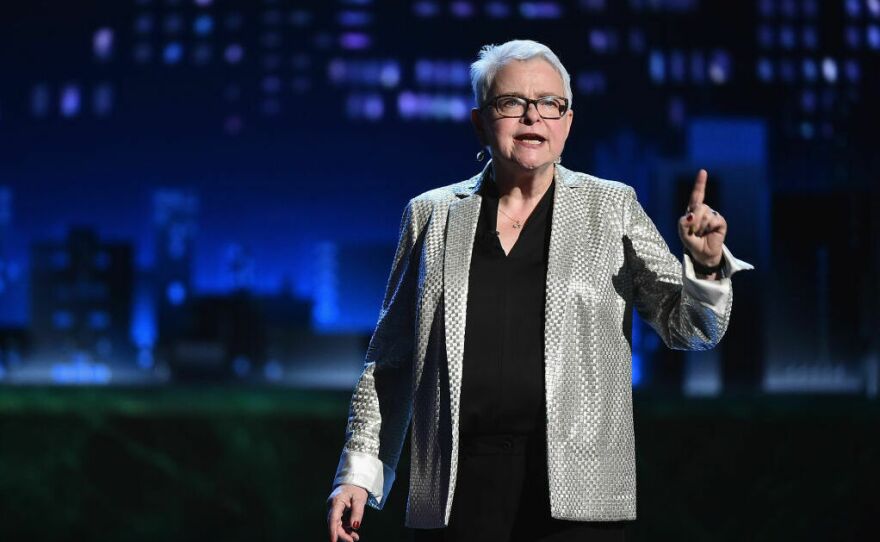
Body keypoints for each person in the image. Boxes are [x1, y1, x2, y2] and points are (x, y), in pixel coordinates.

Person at [326, 39, 753, 542]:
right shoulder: (431, 215)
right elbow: (390, 361)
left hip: (579, 495)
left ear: (568, 122)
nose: (533, 117)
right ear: (481, 122)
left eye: (550, 104)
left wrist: (705, 268)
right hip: (457, 489)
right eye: (511, 103)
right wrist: (357, 473)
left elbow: (690, 331)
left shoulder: (612, 207)